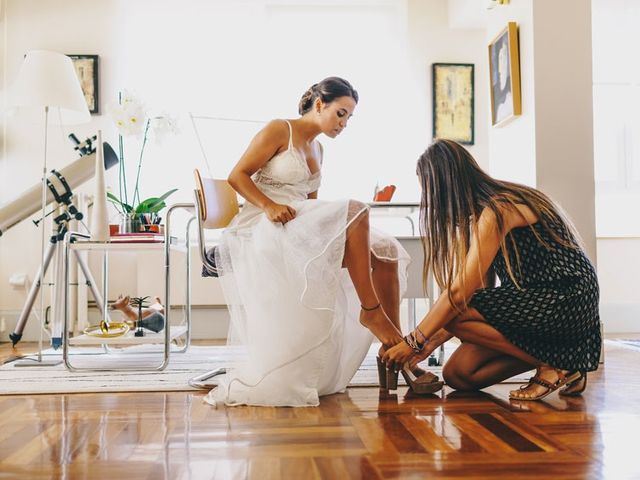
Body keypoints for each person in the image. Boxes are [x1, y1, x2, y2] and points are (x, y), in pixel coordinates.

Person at [205, 77, 417, 407]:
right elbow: (237, 176)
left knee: (386, 251)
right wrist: (269, 205)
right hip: (263, 223)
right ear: (320, 105)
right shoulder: (279, 130)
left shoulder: (319, 148)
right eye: (340, 113)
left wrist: (329, 231)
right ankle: (371, 311)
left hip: (297, 222)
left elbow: (313, 201)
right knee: (357, 209)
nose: (344, 124)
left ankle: (393, 350)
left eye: (349, 118)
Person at [382, 139, 601, 401]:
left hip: (566, 298)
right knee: (459, 374)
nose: (430, 203)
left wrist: (414, 341)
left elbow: (459, 295)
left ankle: (555, 366)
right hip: (536, 304)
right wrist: (428, 345)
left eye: (429, 193)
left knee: (456, 310)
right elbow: (478, 291)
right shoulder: (481, 217)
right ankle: (565, 361)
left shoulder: (501, 207)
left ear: (445, 187)